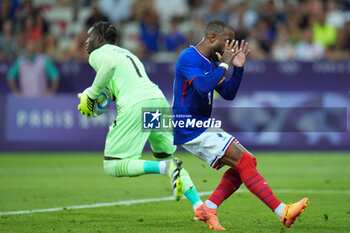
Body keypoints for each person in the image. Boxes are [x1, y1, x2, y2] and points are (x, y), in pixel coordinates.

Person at [172, 20, 309, 230]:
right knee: (244, 161)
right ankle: (282, 211)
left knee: (246, 164)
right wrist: (225, 64)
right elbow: (201, 87)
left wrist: (238, 68)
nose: (231, 47)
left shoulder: (211, 62)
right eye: (228, 41)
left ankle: (208, 207)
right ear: (212, 38)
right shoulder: (188, 57)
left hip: (201, 125)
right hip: (189, 125)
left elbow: (227, 93)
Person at [77, 21, 204, 217]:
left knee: (112, 164)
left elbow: (108, 67)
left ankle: (164, 168)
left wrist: (92, 97)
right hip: (158, 101)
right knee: (169, 158)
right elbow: (119, 85)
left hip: (136, 104)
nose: (86, 42)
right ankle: (199, 205)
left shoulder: (98, 54)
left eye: (89, 37)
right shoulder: (127, 54)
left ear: (100, 39)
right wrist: (104, 97)